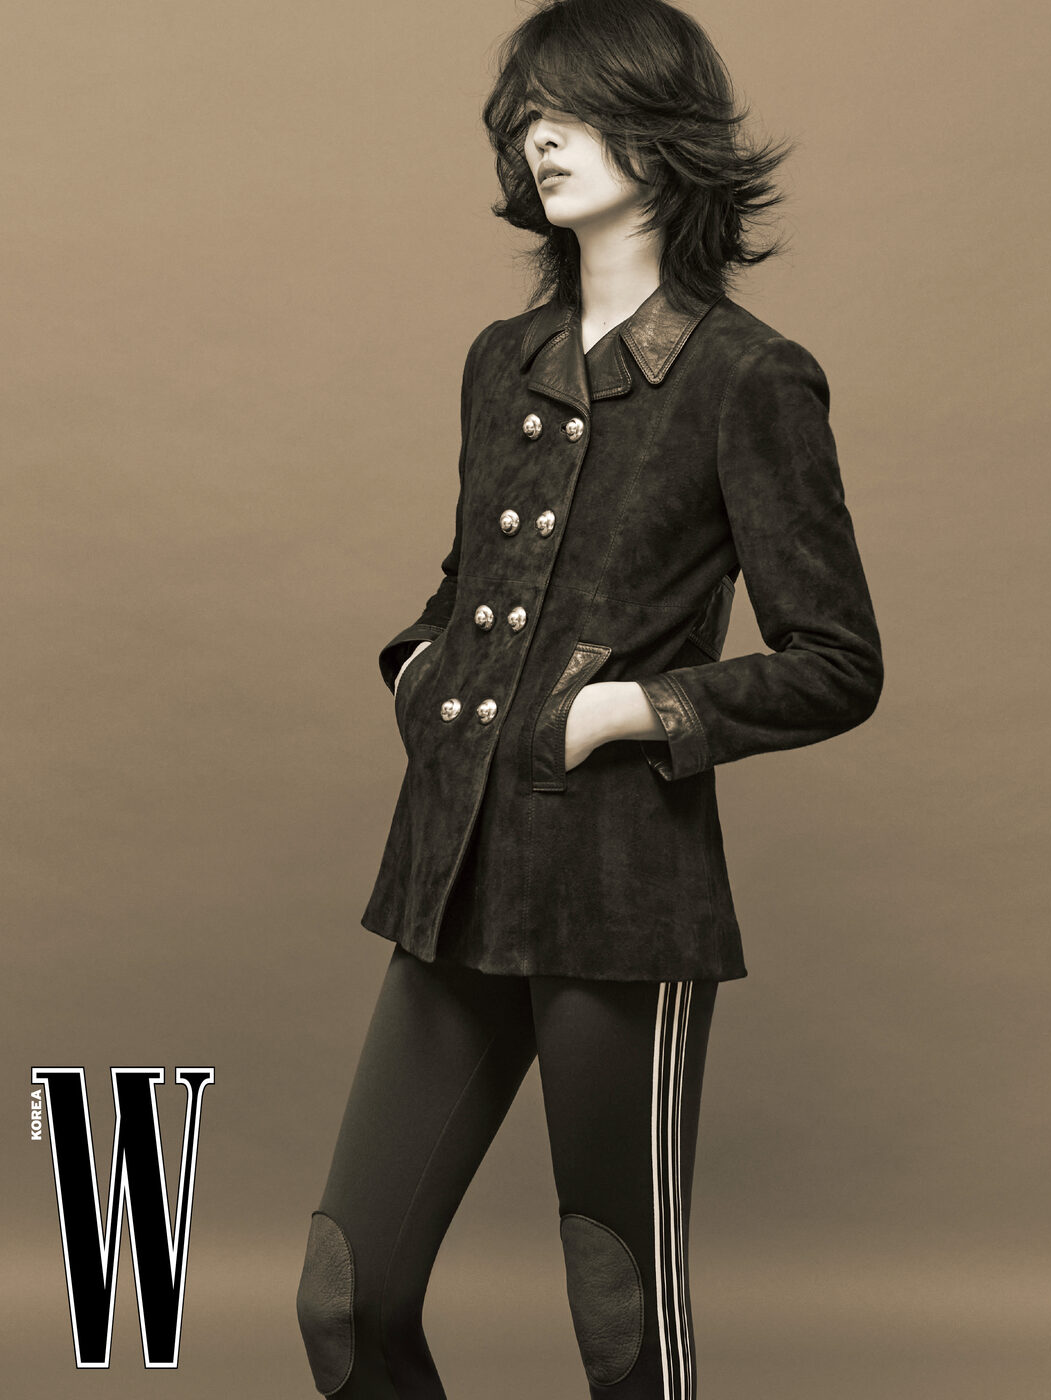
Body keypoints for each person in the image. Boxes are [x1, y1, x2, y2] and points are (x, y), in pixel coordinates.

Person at [296, 0, 883, 1395]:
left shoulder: (748, 377)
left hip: (623, 900)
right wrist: (418, 667)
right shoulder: (500, 361)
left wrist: (631, 713)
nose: (538, 140)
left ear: (660, 132)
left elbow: (838, 661)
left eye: (570, 112)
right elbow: (464, 590)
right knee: (345, 1299)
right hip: (453, 873)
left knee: (619, 1321)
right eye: (527, 118)